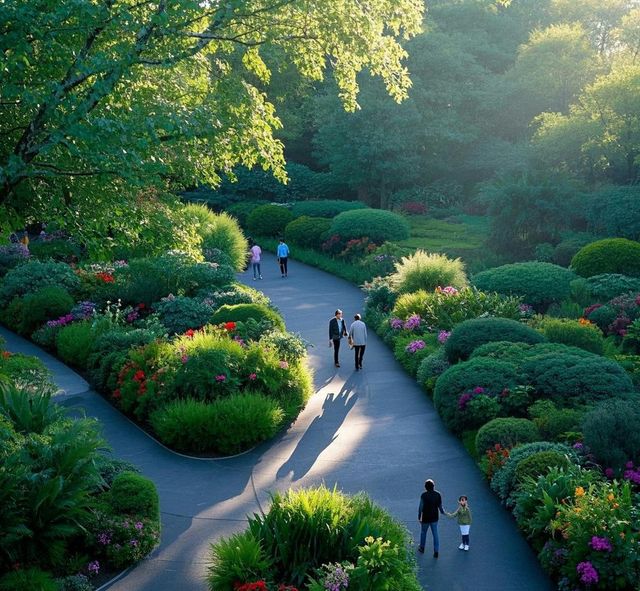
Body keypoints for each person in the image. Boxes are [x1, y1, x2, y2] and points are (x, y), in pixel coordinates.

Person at [418, 478, 445, 557]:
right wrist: (443, 512)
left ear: (425, 487)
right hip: (434, 517)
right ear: (433, 486)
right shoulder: (438, 494)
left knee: (423, 532)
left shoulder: (424, 495)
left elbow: (420, 508)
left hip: (426, 518)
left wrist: (419, 516)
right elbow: (440, 507)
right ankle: (436, 551)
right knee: (435, 534)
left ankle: (422, 548)